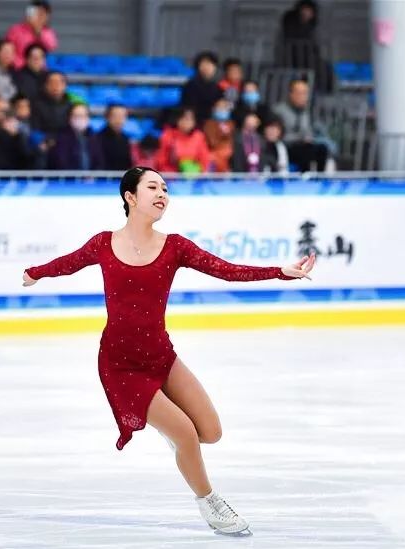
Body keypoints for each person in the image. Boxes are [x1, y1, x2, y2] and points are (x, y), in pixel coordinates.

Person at [22, 166, 315, 535]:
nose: (162, 193)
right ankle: (210, 503)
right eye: (152, 187)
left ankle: (170, 430)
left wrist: (278, 271)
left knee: (210, 432)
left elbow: (225, 270)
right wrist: (35, 272)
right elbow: (67, 263)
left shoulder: (175, 246)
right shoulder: (103, 243)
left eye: (165, 188)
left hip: (161, 355)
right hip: (121, 365)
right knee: (187, 436)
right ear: (130, 197)